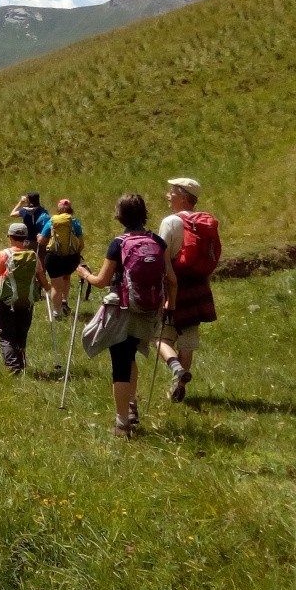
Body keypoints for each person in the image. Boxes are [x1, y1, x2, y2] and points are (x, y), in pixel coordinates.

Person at [76, 194, 177, 438]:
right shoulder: (157, 241)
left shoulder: (118, 243)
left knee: (120, 363)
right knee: (130, 356)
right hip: (148, 309)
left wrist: (84, 274)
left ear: (120, 216)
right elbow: (172, 280)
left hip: (122, 309)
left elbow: (101, 282)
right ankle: (131, 409)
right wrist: (169, 307)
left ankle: (122, 423)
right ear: (144, 213)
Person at [156, 177, 220, 402]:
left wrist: (165, 289)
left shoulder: (170, 222)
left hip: (175, 281)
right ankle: (179, 387)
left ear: (183, 197)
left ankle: (176, 371)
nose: (168, 194)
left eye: (172, 192)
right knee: (188, 339)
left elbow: (161, 258)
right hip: (199, 283)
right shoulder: (205, 222)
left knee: (160, 337)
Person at [0, 222, 51, 375]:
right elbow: (43, 282)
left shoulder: (4, 255)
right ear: (25, 237)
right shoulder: (34, 256)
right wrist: (49, 288)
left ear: (10, 236)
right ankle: (21, 365)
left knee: (6, 334)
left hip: (6, 301)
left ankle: (14, 367)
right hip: (27, 302)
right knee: (21, 334)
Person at [40, 199, 84, 316]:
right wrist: (74, 254)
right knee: (67, 277)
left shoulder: (51, 222)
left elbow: (42, 241)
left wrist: (39, 236)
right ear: (70, 209)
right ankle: (64, 301)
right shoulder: (75, 223)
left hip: (53, 257)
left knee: (55, 285)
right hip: (71, 258)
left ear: (58, 209)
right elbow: (81, 244)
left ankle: (56, 311)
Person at [11, 192, 50, 262]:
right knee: (41, 263)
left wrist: (21, 202)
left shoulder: (24, 211)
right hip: (40, 240)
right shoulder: (42, 211)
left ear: (28, 200)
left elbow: (12, 214)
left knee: (29, 262)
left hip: (28, 242)